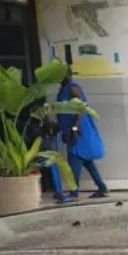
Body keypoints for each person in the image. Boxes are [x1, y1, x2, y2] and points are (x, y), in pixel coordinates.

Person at [55, 69, 108, 199]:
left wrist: (74, 128)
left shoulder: (72, 88)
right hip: (73, 130)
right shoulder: (65, 89)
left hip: (79, 131)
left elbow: (81, 109)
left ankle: (74, 192)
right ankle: (102, 187)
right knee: (87, 162)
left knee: (75, 160)